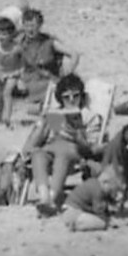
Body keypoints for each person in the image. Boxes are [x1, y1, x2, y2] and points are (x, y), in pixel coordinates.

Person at [22, 74, 100, 210]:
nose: (71, 100)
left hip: (74, 151)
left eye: (76, 95)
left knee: (63, 152)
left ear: (82, 96)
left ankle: (51, 197)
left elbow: (92, 148)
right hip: (51, 149)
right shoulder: (54, 114)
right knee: (38, 154)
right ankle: (44, 195)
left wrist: (77, 136)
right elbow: (32, 145)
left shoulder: (89, 116)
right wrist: (42, 125)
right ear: (60, 98)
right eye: (66, 97)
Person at [13, 8, 77, 109]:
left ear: (40, 25)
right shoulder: (19, 44)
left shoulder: (49, 42)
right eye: (27, 26)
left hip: (49, 81)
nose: (30, 29)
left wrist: (69, 71)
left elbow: (74, 54)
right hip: (28, 83)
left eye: (33, 26)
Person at [61, 165, 124, 232]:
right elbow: (99, 210)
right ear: (105, 182)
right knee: (101, 223)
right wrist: (109, 221)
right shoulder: (98, 190)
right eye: (111, 190)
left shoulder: (94, 183)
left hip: (70, 210)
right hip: (73, 213)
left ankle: (75, 223)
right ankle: (75, 224)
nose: (111, 193)